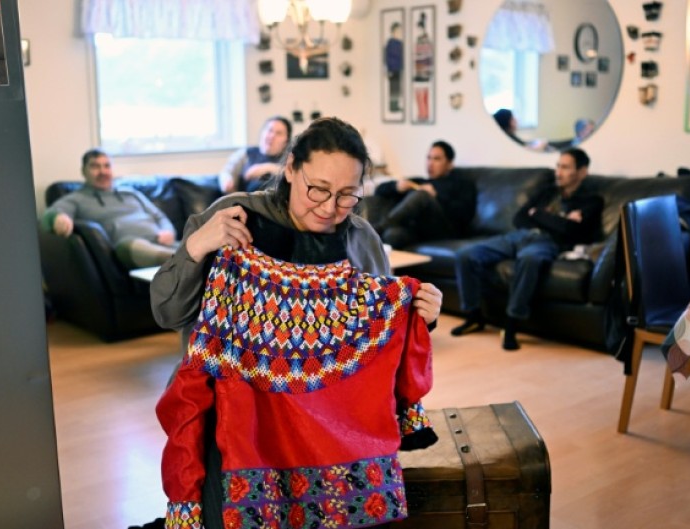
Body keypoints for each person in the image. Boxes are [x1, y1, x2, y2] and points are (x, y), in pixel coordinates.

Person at [150, 117, 443, 529]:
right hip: (235, 415)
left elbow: (378, 339)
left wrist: (419, 317)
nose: (328, 208)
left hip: (328, 421)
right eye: (318, 189)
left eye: (347, 196)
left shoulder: (361, 238)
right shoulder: (233, 219)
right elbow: (165, 310)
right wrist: (199, 245)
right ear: (290, 168)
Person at [450, 148, 604, 351]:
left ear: (582, 172)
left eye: (565, 167)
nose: (558, 172)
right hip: (519, 236)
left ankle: (512, 324)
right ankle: (474, 316)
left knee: (530, 260)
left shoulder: (591, 201)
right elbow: (519, 218)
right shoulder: (547, 192)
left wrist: (538, 214)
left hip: (548, 243)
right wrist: (557, 218)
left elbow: (570, 231)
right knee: (465, 255)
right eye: (558, 166)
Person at [41, 149, 178, 269]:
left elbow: (160, 216)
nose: (102, 171)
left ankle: (185, 261)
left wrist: (168, 231)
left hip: (162, 243)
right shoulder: (77, 198)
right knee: (128, 247)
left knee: (194, 245)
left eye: (106, 166)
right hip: (130, 247)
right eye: (95, 166)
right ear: (83, 171)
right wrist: (57, 218)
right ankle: (180, 262)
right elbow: (49, 215)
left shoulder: (131, 193)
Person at [373, 140, 476, 248]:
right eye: (428, 158)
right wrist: (396, 186)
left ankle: (377, 229)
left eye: (436, 159)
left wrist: (436, 196)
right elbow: (379, 190)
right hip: (418, 232)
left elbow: (464, 215)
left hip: (445, 231)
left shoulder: (462, 183)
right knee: (392, 235)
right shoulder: (420, 181)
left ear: (449, 164)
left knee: (422, 195)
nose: (430, 163)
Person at [218, 116, 292, 194]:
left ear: (286, 141)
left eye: (279, 133)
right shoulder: (246, 154)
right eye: (269, 130)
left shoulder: (289, 159)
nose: (272, 136)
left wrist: (267, 168)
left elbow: (295, 175)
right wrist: (227, 182)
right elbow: (227, 171)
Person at [384, 22, 403, 113]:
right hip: (393, 69)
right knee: (393, 88)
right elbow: (387, 57)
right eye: (398, 31)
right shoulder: (391, 43)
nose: (399, 33)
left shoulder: (399, 43)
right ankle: (393, 106)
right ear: (394, 31)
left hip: (398, 69)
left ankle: (396, 105)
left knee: (397, 88)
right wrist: (389, 69)